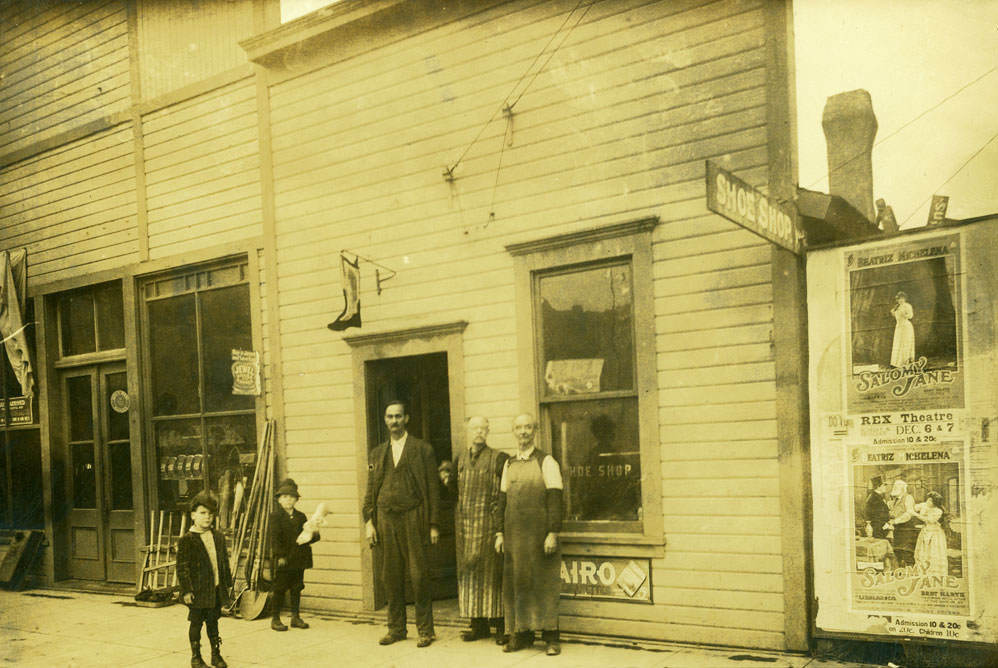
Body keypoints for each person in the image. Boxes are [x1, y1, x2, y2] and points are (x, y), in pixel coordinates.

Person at [362, 400, 441, 648]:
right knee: (391, 576)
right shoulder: (377, 453)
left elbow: (433, 489)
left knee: (419, 576)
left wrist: (434, 524)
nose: (394, 421)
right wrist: (368, 521)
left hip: (413, 517)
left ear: (406, 418)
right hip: (385, 519)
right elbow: (370, 489)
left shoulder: (422, 449)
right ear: (385, 420)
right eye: (389, 417)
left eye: (398, 416)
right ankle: (396, 629)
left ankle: (426, 631)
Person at [495, 413, 564, 656]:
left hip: (539, 536)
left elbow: (556, 500)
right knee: (518, 584)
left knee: (544, 584)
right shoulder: (508, 463)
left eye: (527, 427)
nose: (523, 432)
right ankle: (521, 635)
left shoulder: (546, 461)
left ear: (534, 430)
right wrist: (499, 533)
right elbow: (502, 501)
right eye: (518, 428)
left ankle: (551, 638)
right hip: (514, 537)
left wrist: (553, 533)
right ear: (513, 432)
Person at [442, 416, 508, 644]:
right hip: (465, 527)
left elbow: (504, 495)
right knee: (469, 573)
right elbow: (452, 493)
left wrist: (500, 528)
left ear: (488, 431)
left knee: (493, 575)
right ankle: (477, 625)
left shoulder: (499, 459)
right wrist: (445, 479)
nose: (478, 432)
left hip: (490, 525)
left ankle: (500, 626)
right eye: (474, 428)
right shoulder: (459, 459)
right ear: (468, 431)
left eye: (483, 428)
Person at [177, 491, 231, 668]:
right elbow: (182, 567)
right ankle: (196, 656)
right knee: (196, 622)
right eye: (202, 513)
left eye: (210, 514)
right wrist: (187, 590)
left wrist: (226, 586)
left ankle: (216, 655)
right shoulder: (187, 540)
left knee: (213, 621)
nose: (207, 517)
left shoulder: (218, 537)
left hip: (214, 588)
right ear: (193, 515)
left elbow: (223, 563)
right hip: (198, 591)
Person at [269, 478, 320, 631]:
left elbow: (308, 538)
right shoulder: (275, 516)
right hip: (284, 559)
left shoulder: (301, 517)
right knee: (280, 587)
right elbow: (275, 539)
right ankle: (275, 618)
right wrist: (280, 556)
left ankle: (295, 617)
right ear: (279, 499)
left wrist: (314, 532)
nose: (288, 500)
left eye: (291, 497)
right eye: (284, 497)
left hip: (299, 558)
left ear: (296, 499)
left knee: (297, 587)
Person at [913, 491, 948, 577]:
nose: (928, 502)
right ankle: (922, 570)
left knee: (933, 552)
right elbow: (913, 507)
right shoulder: (924, 505)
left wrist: (915, 514)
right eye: (928, 500)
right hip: (925, 530)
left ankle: (934, 573)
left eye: (930, 501)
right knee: (922, 551)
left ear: (935, 503)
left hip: (934, 533)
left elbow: (930, 520)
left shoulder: (938, 511)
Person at [886, 479, 918, 567]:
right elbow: (893, 512)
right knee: (897, 551)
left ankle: (910, 571)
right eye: (894, 487)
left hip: (907, 528)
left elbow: (909, 514)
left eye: (897, 487)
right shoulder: (894, 500)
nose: (894, 488)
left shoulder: (908, 498)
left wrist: (895, 521)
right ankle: (899, 571)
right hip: (898, 529)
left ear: (903, 489)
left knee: (907, 551)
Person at [890, 291, 915, 368]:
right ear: (897, 300)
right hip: (899, 328)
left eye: (902, 298)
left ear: (905, 299)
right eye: (899, 299)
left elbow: (910, 316)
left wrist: (904, 314)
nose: (900, 300)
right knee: (898, 344)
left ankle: (906, 363)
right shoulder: (897, 307)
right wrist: (894, 313)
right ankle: (897, 363)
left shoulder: (907, 306)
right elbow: (896, 316)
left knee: (906, 344)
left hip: (906, 327)